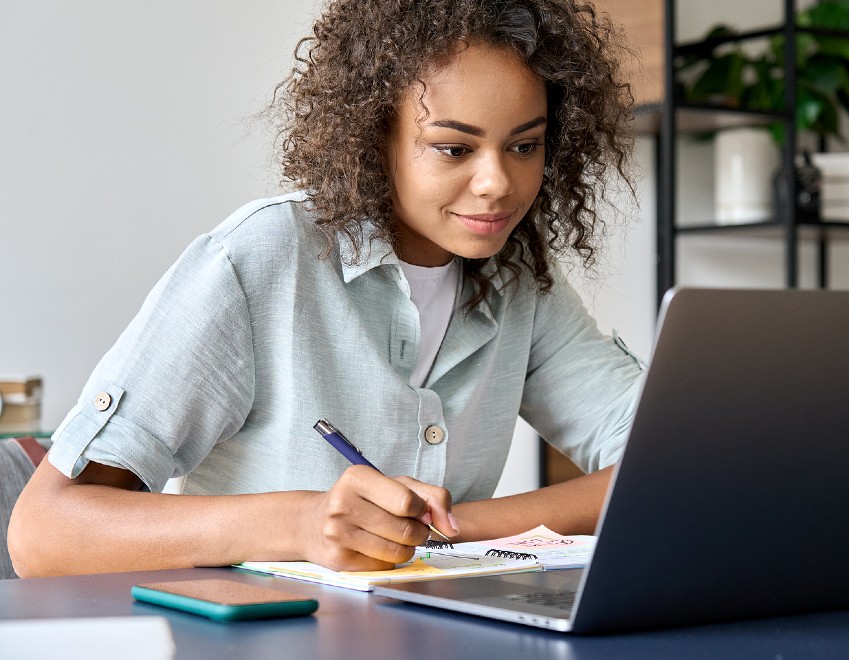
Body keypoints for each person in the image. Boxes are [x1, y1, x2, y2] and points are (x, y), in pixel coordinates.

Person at [9, 0, 643, 577]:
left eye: (524, 146)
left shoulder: (519, 281)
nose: (497, 184)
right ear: (376, 139)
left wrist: (446, 532)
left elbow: (669, 468)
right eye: (454, 149)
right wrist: (301, 523)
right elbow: (44, 533)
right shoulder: (263, 258)